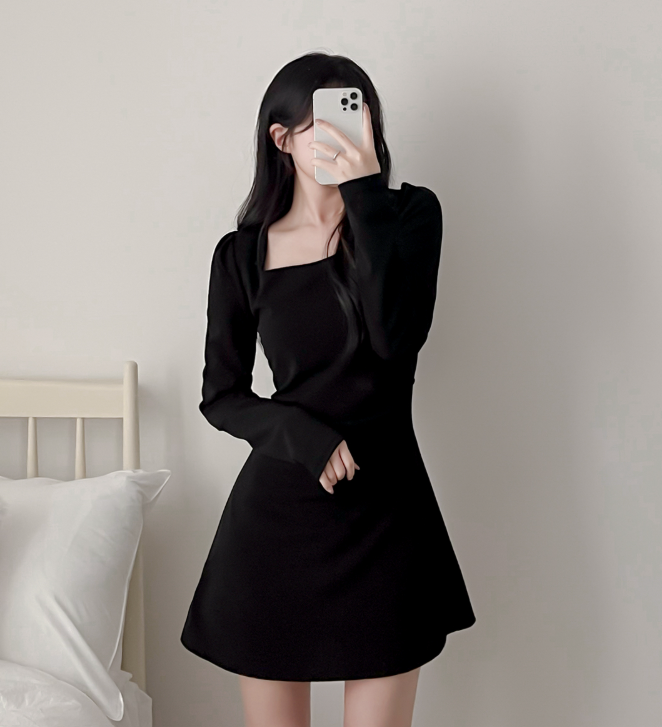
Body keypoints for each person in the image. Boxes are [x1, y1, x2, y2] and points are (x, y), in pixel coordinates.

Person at [181, 51, 476, 727]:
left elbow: (395, 341)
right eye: (327, 121)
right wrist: (304, 438)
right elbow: (221, 395)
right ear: (281, 138)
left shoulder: (408, 216)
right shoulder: (241, 255)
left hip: (386, 519)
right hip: (276, 523)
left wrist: (363, 195)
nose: (347, 134)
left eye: (358, 117)